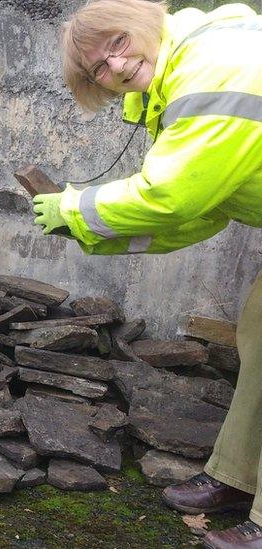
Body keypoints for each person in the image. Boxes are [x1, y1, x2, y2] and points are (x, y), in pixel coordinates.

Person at [49, 1, 262, 547]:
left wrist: (77, 209)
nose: (115, 68)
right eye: (98, 68)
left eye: (116, 44)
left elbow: (172, 194)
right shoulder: (174, 82)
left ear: (143, 22)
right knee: (258, 341)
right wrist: (96, 233)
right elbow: (205, 210)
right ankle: (237, 479)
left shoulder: (217, 64)